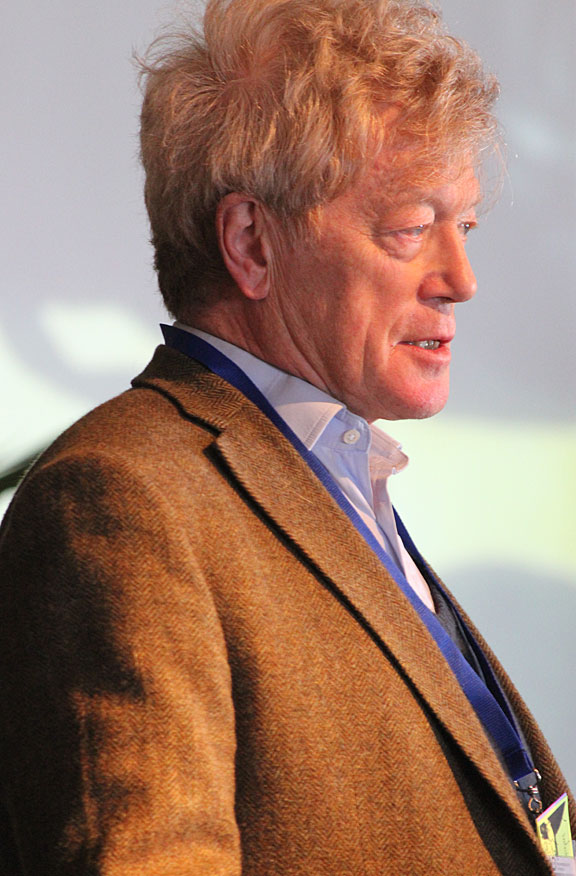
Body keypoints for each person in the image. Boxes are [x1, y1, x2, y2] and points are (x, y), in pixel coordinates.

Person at [0, 0, 573, 873]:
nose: (461, 279)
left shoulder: (336, 484)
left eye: (465, 228)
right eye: (411, 229)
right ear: (250, 243)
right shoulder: (120, 505)